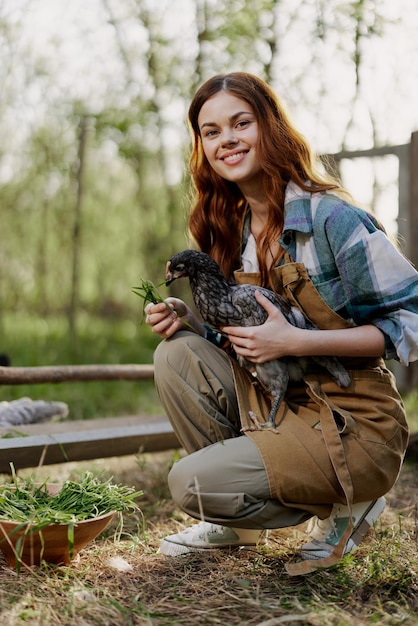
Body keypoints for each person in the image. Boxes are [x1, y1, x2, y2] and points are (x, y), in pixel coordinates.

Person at [144, 72, 417, 575]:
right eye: (210, 131)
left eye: (240, 122)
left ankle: (351, 504)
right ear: (201, 147)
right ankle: (236, 524)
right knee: (175, 353)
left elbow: (413, 319)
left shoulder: (333, 219)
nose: (226, 139)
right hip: (277, 399)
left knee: (190, 485)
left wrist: (296, 340)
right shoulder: (232, 229)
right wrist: (190, 318)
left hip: (352, 418)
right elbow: (251, 342)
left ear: (270, 127)